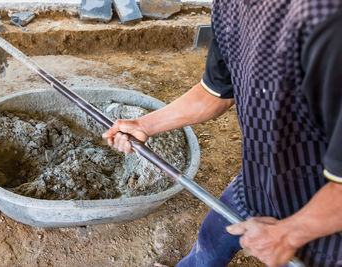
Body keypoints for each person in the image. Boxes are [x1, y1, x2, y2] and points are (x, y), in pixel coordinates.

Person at [102, 0, 342, 266]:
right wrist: (145, 125)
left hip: (327, 222)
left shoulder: (326, 20)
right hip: (258, 181)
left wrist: (291, 232)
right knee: (209, 244)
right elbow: (214, 93)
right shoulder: (230, 6)